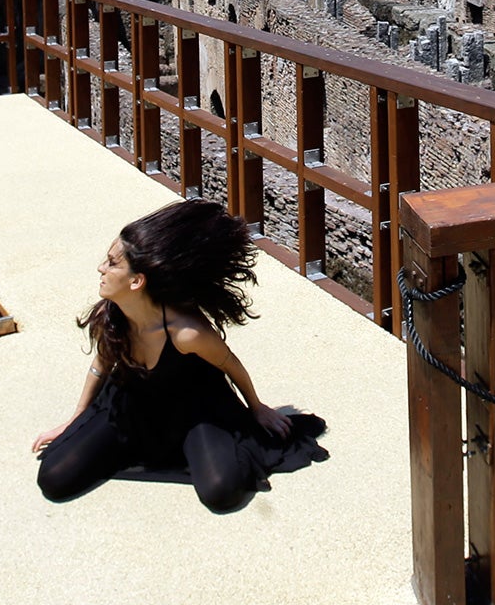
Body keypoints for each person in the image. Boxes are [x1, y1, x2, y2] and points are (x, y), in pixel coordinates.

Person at [34, 201, 324, 512]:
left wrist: (257, 408)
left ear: (137, 281)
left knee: (222, 492)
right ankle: (135, 445)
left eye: (111, 264)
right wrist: (75, 420)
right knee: (53, 479)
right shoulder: (113, 313)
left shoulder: (187, 332)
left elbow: (231, 365)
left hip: (194, 411)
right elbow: (101, 365)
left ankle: (182, 449)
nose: (101, 269)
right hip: (131, 405)